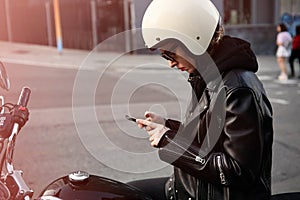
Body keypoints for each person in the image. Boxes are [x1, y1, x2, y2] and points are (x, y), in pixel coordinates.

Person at [128, 0, 274, 200]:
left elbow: (238, 171)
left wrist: (170, 141)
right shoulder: (207, 77)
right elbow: (207, 141)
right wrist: (167, 127)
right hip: (189, 187)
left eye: (171, 53)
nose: (170, 63)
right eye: (164, 56)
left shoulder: (237, 90)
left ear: (195, 41)